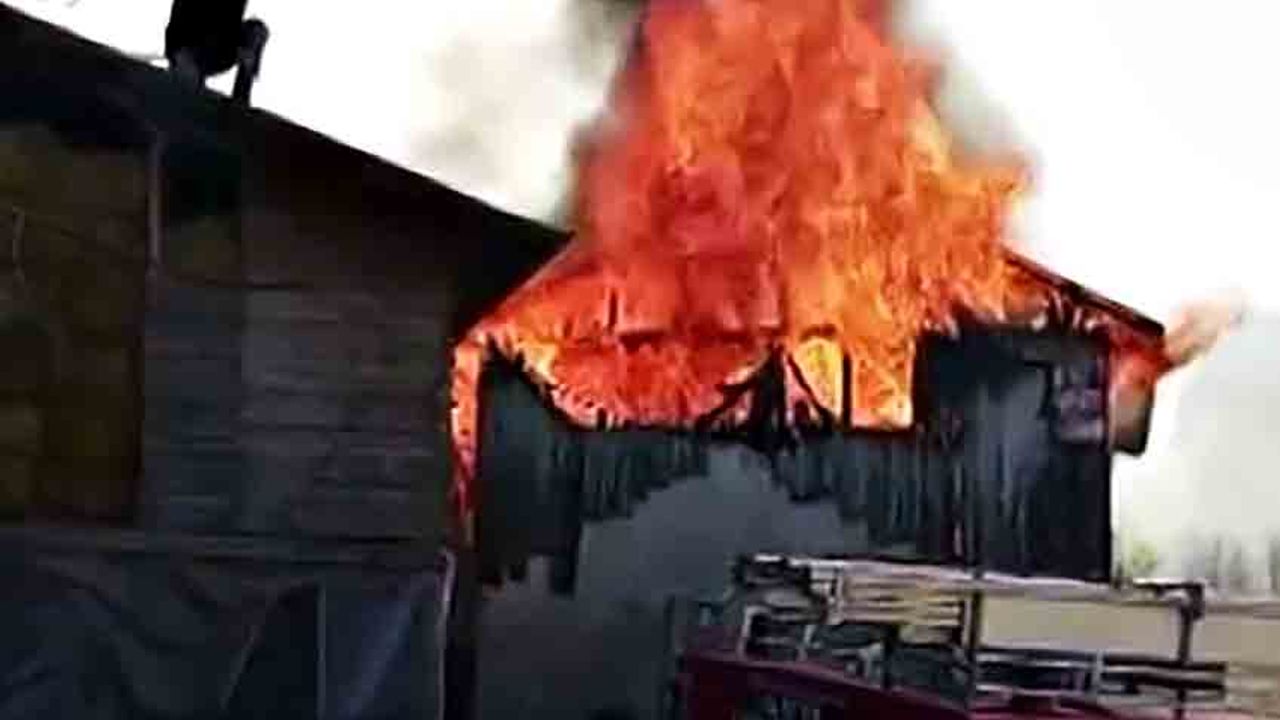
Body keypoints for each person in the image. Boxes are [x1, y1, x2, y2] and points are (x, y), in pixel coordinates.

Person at [164, 0, 269, 105]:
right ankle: (184, 87)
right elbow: (177, 26)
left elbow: (231, 24)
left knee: (257, 31)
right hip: (188, 46)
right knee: (186, 84)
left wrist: (240, 51)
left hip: (218, 49)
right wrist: (177, 55)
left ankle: (240, 102)